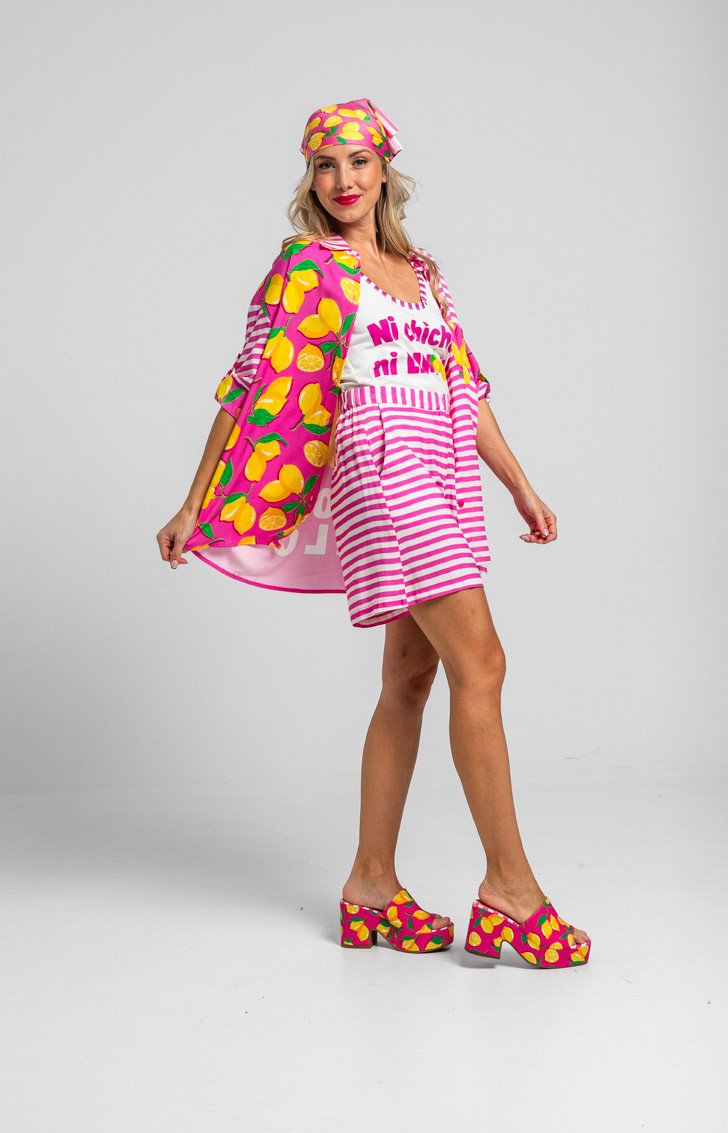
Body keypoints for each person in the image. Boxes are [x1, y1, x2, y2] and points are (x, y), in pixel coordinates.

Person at [157, 97, 591, 967]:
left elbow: (464, 388)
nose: (342, 179)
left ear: (385, 168)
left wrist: (520, 487)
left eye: (357, 161)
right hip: (381, 468)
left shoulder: (423, 274)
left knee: (409, 679)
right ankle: (510, 889)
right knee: (483, 664)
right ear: (309, 178)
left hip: (444, 469)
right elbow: (247, 384)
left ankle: (370, 886)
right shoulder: (306, 266)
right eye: (324, 164)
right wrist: (193, 499)